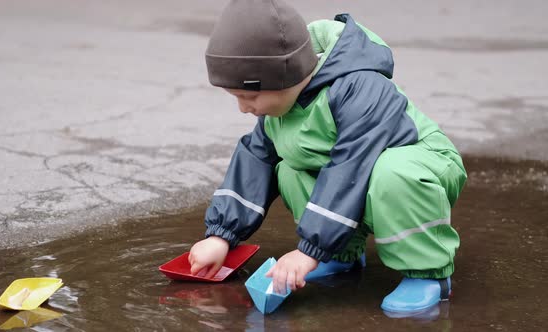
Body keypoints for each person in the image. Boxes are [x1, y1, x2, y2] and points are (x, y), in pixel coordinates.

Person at [188, 0, 467, 315]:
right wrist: (221, 236)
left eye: (249, 97)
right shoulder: (280, 106)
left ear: (285, 76)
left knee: (391, 173)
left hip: (421, 164)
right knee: (291, 167)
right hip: (356, 174)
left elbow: (351, 164)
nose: (243, 108)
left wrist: (308, 252)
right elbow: (254, 161)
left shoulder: (359, 87)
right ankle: (340, 254)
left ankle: (427, 273)